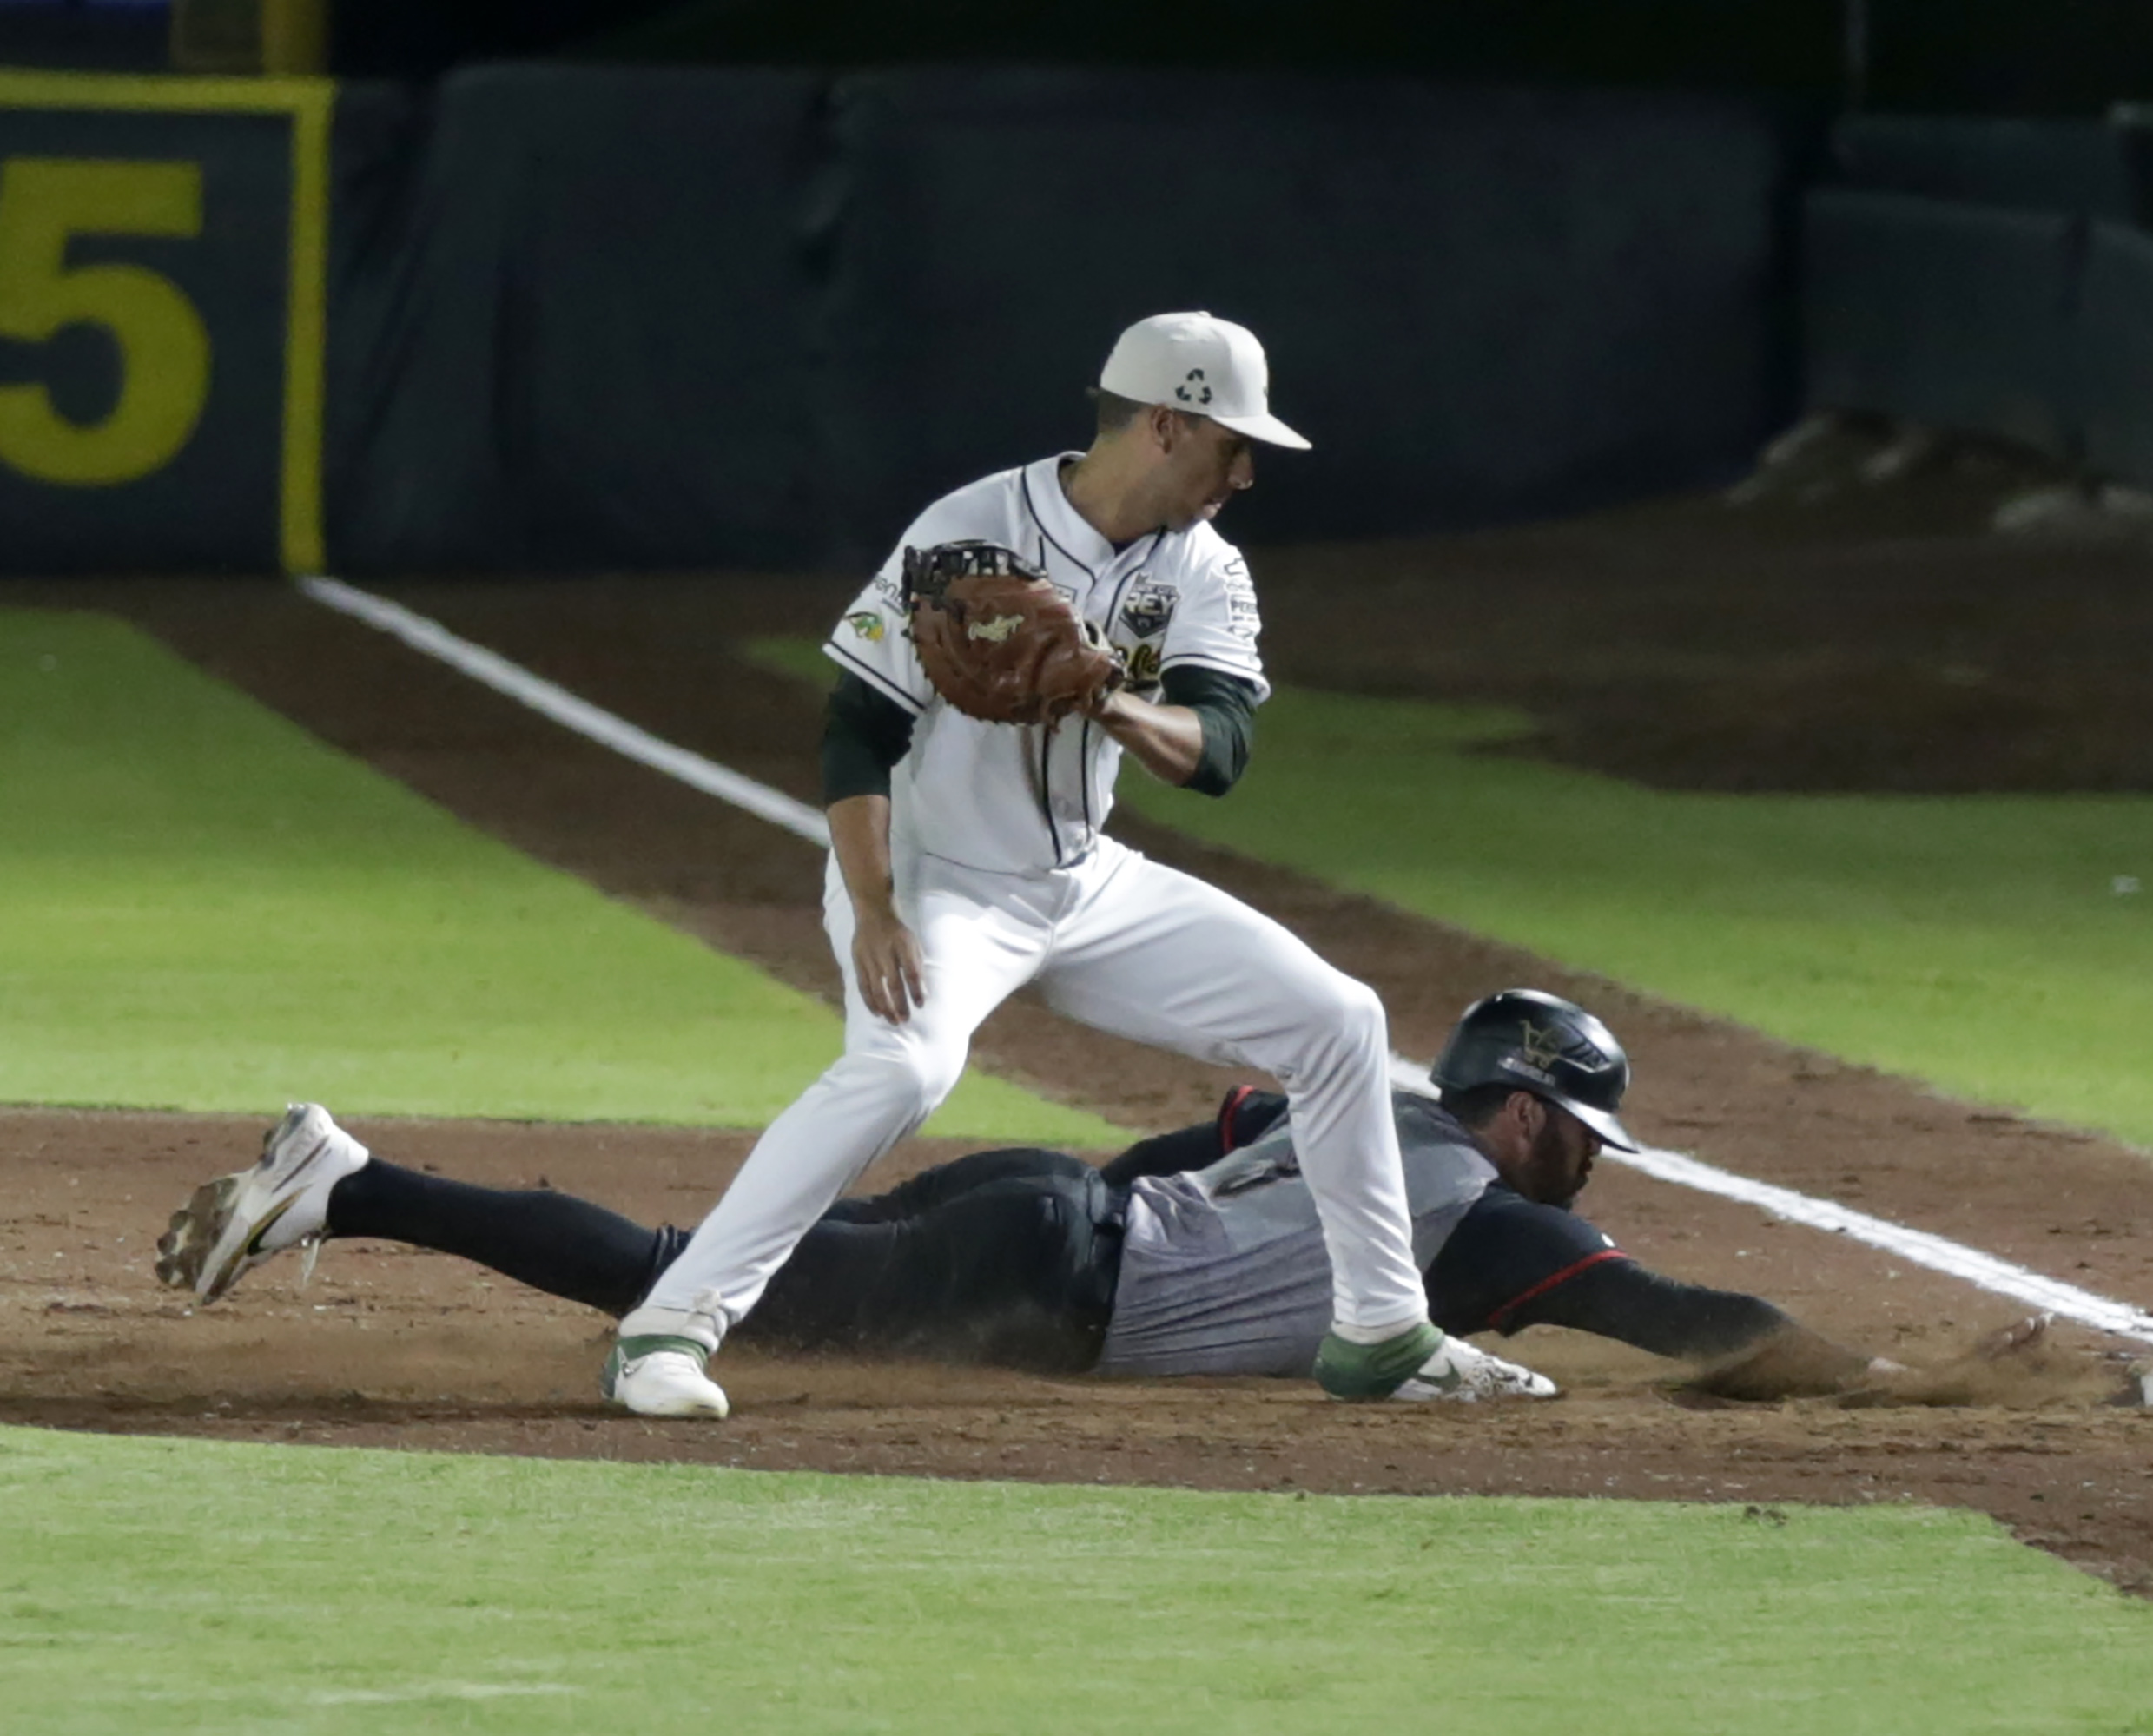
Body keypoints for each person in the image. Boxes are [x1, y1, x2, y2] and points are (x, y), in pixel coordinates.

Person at [559, 312, 1546, 1417]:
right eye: (1234, 442)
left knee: (1340, 1021)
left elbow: (1219, 753)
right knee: (901, 1071)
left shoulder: (1206, 567)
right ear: (1168, 424)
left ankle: (1380, 1334)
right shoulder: (970, 530)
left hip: (1083, 881)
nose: (1248, 471)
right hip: (937, 883)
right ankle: (668, 1328)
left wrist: (1110, 697)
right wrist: (877, 906)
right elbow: (856, 730)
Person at [154, 992, 1961, 1402]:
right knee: (673, 1288)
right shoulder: (1487, 1212)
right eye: (1578, 1135)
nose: (1580, 1170)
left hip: (1046, 1207)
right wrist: (1882, 1381)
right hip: (1067, 1259)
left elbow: (1186, 1151)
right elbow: (1672, 1321)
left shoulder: (1358, 1107)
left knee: (697, 1267)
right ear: (1527, 1111)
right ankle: (358, 1182)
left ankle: (360, 1180)